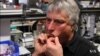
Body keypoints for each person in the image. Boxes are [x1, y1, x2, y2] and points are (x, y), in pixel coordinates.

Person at [32, 0, 100, 56]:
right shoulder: (45, 44)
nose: (49, 28)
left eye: (58, 22)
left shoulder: (88, 51)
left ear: (72, 25)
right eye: (48, 20)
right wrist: (37, 53)